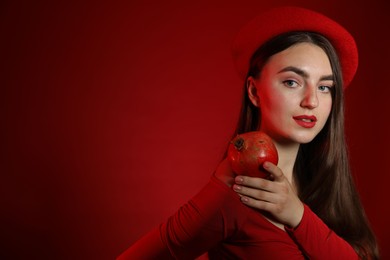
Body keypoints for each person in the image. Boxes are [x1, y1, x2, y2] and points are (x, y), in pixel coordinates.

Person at [118, 6, 379, 259]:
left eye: (325, 87)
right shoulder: (235, 190)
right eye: (292, 82)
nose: (311, 101)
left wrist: (297, 215)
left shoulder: (324, 181)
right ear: (254, 91)